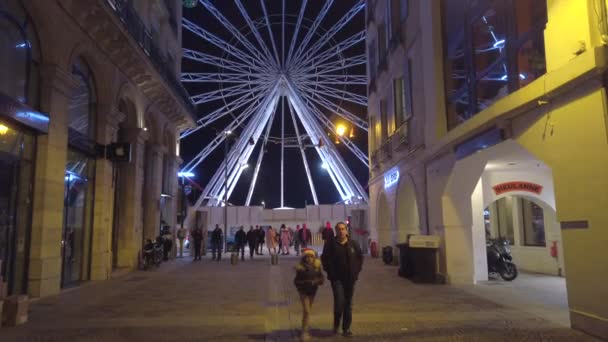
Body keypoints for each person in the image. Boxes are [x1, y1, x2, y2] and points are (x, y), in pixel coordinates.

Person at [321, 222, 363, 337]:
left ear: (346, 230)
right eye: (339, 229)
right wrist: (331, 273)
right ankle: (336, 324)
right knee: (339, 302)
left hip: (350, 279)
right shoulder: (330, 244)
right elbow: (325, 259)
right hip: (337, 279)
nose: (341, 231)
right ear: (336, 231)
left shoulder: (353, 244)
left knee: (348, 303)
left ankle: (346, 328)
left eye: (343, 229)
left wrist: (356, 272)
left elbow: (360, 258)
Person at [294, 248, 325, 341]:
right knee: (307, 311)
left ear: (314, 257)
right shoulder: (300, 268)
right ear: (304, 258)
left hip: (312, 291)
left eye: (311, 257)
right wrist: (303, 283)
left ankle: (305, 326)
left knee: (307, 312)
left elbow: (321, 279)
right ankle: (304, 331)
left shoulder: (317, 266)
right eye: (307, 257)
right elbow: (296, 281)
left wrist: (316, 282)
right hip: (303, 292)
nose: (309, 259)